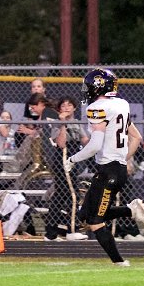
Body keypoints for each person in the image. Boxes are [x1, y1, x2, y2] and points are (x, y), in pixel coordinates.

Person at [63, 68, 144, 266]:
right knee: (84, 215)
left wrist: (72, 159)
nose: (86, 90)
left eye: (88, 86)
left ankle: (119, 262)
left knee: (96, 222)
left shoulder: (98, 108)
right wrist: (122, 159)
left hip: (108, 171)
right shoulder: (121, 104)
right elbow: (137, 137)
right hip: (115, 169)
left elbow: (94, 145)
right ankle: (130, 210)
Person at [43, 96, 87, 241]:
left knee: (60, 196)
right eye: (63, 106)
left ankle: (50, 233)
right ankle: (72, 230)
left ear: (74, 108)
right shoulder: (57, 124)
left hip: (73, 160)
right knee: (73, 194)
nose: (67, 108)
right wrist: (63, 123)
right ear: (59, 109)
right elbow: (61, 144)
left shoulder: (77, 123)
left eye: (69, 105)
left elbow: (85, 141)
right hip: (62, 159)